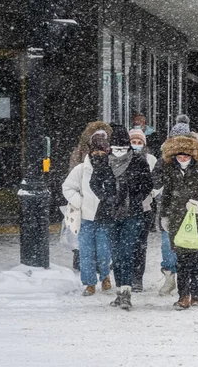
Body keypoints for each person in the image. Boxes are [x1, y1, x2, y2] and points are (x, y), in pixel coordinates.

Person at [160, 134, 198, 309]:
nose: (183, 158)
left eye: (186, 155)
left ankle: (196, 294)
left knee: (197, 259)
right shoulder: (170, 169)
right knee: (182, 260)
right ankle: (184, 295)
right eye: (179, 155)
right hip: (178, 218)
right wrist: (164, 216)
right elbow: (167, 194)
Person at [62, 129, 114, 297]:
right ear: (90, 151)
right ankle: (89, 283)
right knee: (86, 252)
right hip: (86, 217)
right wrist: (80, 202)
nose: (98, 154)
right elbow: (68, 187)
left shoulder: (112, 167)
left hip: (105, 217)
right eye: (95, 150)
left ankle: (105, 275)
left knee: (104, 251)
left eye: (102, 151)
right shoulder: (81, 169)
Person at [106, 125, 153, 310]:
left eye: (123, 149)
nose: (119, 153)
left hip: (132, 214)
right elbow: (95, 182)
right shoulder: (104, 162)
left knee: (126, 252)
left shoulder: (139, 162)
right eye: (116, 149)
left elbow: (147, 184)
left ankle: (126, 292)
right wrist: (107, 197)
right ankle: (120, 291)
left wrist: (134, 197)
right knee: (116, 255)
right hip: (110, 214)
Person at [152, 115, 193, 296]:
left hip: (190, 209)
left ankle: (188, 280)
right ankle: (170, 277)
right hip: (168, 208)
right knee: (167, 245)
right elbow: (155, 180)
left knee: (189, 246)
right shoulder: (164, 160)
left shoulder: (197, 158)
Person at [128, 128, 158, 293]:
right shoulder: (123, 158)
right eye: (134, 142)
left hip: (145, 207)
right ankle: (126, 278)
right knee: (127, 243)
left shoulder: (150, 159)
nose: (136, 145)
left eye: (140, 142)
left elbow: (157, 180)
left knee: (140, 244)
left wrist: (152, 193)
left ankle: (137, 277)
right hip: (125, 209)